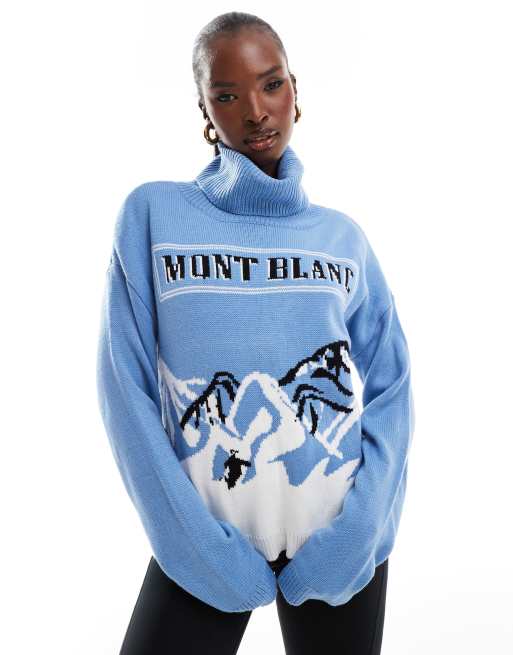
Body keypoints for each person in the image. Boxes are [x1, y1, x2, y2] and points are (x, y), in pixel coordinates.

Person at [96, 11, 414, 655]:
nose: (256, 111)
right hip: (201, 541)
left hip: (337, 539)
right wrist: (191, 543)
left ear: (296, 87)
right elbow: (123, 389)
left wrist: (358, 533)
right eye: (227, 95)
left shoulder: (342, 238)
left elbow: (393, 386)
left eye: (271, 84)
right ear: (204, 110)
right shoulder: (153, 215)